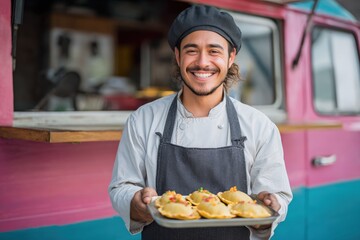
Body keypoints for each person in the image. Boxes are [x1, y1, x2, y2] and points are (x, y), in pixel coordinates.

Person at [109, 5, 292, 240]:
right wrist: (135, 203)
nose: (202, 62)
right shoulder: (143, 120)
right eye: (192, 50)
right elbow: (122, 186)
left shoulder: (259, 126)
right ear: (178, 55)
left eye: (214, 51)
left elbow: (276, 196)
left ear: (231, 56)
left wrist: (269, 209)